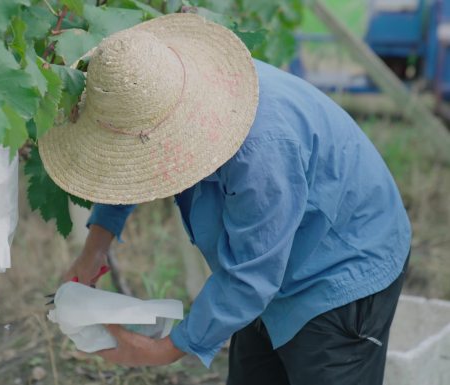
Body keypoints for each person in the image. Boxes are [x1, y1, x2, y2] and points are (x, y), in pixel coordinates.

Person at [38, 13, 411, 385]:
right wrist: (96, 245)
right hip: (266, 258)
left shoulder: (259, 152)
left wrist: (161, 350)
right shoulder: (167, 92)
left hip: (341, 263)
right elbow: (127, 156)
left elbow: (252, 275)